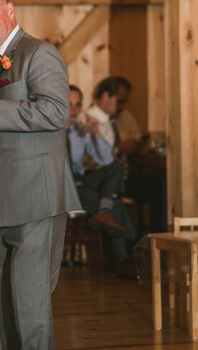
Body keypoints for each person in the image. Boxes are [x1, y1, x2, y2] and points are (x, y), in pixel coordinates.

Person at [0, 0, 81, 349]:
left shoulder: (38, 53)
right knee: (5, 308)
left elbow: (58, 112)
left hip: (35, 198)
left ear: (9, 10)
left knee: (30, 310)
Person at [85, 76, 167, 233]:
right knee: (156, 184)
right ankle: (135, 242)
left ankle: (157, 240)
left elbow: (135, 138)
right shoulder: (87, 119)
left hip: (125, 173)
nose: (123, 106)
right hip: (99, 177)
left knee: (159, 183)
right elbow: (86, 158)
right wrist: (118, 149)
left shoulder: (125, 116)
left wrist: (137, 145)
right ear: (105, 96)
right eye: (120, 101)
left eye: (125, 101)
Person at [66, 85, 135, 263]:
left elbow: (106, 159)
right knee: (115, 202)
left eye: (78, 105)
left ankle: (104, 213)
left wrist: (95, 132)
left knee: (116, 167)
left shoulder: (79, 131)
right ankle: (124, 254)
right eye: (69, 104)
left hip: (82, 181)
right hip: (62, 187)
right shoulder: (50, 130)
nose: (74, 110)